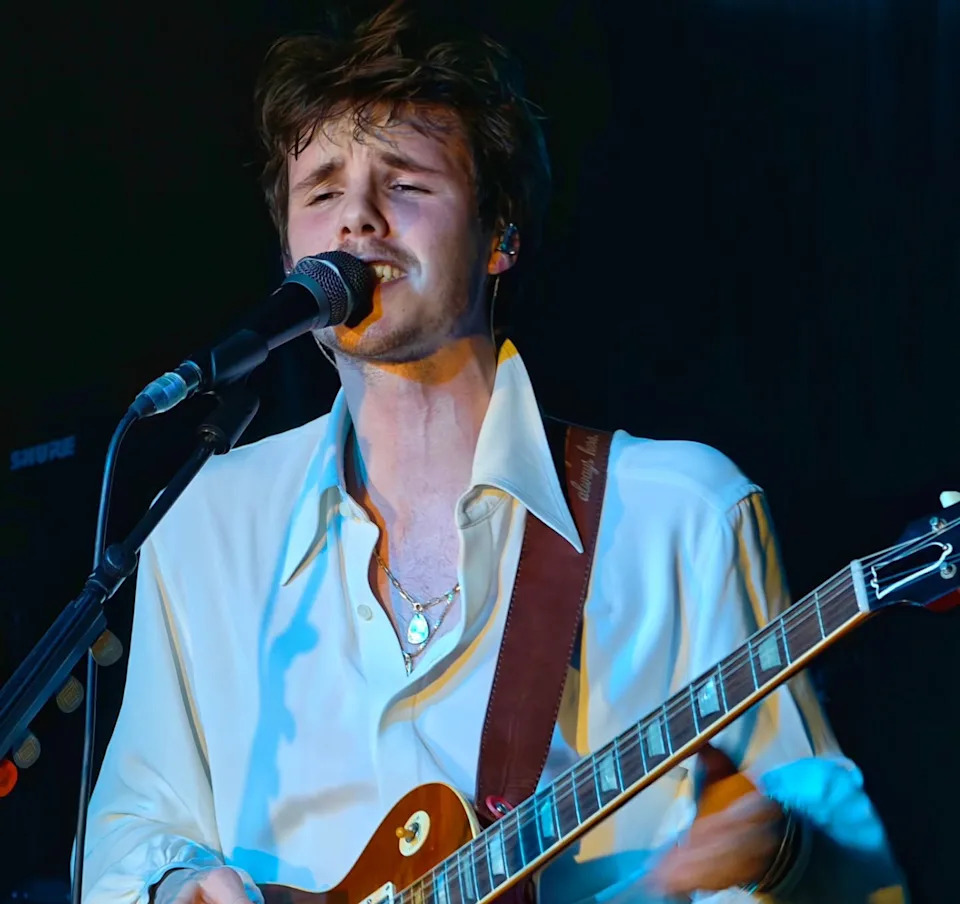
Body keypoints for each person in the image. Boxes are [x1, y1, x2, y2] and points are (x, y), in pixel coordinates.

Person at [81, 3, 908, 902]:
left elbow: (850, 864)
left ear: (499, 234)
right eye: (320, 190)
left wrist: (774, 853)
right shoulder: (205, 521)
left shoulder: (682, 515)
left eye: (404, 184)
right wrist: (174, 888)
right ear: (289, 249)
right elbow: (132, 826)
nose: (356, 219)